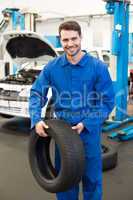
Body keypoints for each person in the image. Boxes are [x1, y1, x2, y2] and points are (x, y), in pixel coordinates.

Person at [29, 20, 115, 200]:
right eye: (65, 40)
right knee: (66, 182)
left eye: (73, 39)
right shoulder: (53, 67)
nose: (70, 44)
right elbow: (37, 93)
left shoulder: (97, 67)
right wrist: (36, 119)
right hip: (64, 133)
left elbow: (107, 101)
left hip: (88, 133)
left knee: (92, 181)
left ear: (81, 38)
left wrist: (87, 123)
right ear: (60, 40)